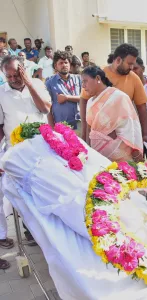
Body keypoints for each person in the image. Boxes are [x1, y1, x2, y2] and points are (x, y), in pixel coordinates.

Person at [0, 55, 51, 253]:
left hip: (41, 150)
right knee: (22, 195)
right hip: (16, 154)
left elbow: (45, 109)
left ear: (24, 70)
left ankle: (39, 229)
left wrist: (30, 84)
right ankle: (28, 228)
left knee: (41, 191)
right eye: (9, 76)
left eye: (17, 74)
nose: (13, 79)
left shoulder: (36, 84)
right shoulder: (2, 93)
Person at [80, 44, 147, 144]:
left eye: (133, 64)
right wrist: (84, 132)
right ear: (118, 60)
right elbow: (84, 100)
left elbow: (142, 107)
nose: (132, 67)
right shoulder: (99, 74)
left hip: (124, 136)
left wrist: (145, 134)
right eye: (129, 63)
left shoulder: (134, 78)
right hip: (99, 135)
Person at [83, 66, 143, 162]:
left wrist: (136, 153)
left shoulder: (118, 97)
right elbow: (90, 129)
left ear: (98, 78)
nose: (83, 85)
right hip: (96, 153)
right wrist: (87, 150)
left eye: (85, 81)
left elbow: (129, 127)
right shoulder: (90, 101)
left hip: (118, 152)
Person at [45, 50, 81, 129]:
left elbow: (85, 98)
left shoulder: (79, 79)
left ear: (70, 64)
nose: (64, 65)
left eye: (66, 62)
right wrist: (52, 128)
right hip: (62, 125)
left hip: (80, 122)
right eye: (61, 63)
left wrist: (66, 97)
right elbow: (48, 107)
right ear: (55, 66)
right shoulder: (50, 83)